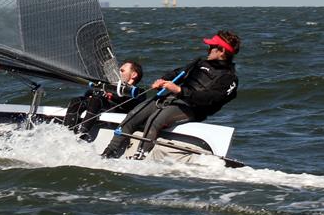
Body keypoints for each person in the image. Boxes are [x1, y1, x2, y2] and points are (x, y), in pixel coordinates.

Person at [101, 30, 240, 160]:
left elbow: (210, 99)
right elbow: (176, 74)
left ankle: (140, 157)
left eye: (211, 47)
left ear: (221, 51)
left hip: (192, 109)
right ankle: (108, 153)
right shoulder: (199, 62)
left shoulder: (229, 78)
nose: (208, 49)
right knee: (133, 114)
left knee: (155, 120)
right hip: (172, 99)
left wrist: (179, 91)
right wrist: (162, 80)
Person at [64, 60, 143, 141]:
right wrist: (95, 93)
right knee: (76, 101)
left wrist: (112, 96)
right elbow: (90, 92)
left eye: (122, 71)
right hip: (101, 104)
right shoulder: (110, 86)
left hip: (118, 111)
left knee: (97, 100)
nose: (119, 72)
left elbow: (131, 102)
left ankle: (81, 136)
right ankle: (66, 133)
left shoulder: (139, 91)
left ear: (134, 75)